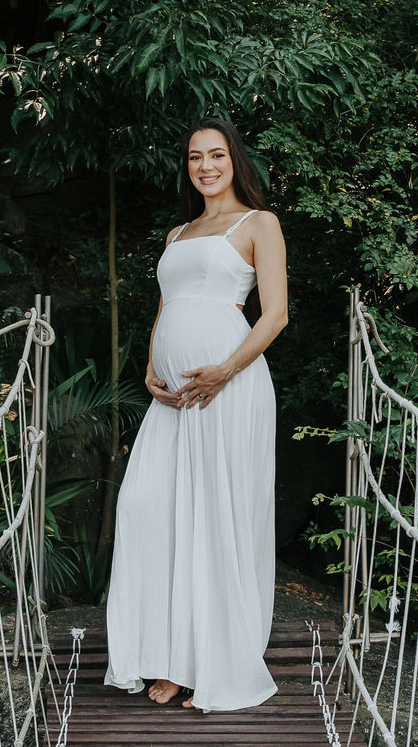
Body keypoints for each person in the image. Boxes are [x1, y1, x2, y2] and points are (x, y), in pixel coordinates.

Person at [102, 116, 289, 712]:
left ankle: (208, 665)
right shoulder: (177, 233)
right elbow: (167, 306)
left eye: (216, 155)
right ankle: (170, 653)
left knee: (213, 518)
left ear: (235, 160)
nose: (205, 166)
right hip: (173, 396)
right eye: (194, 157)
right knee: (147, 508)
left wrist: (225, 369)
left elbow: (275, 314)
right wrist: (150, 367)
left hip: (228, 389)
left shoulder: (259, 223)